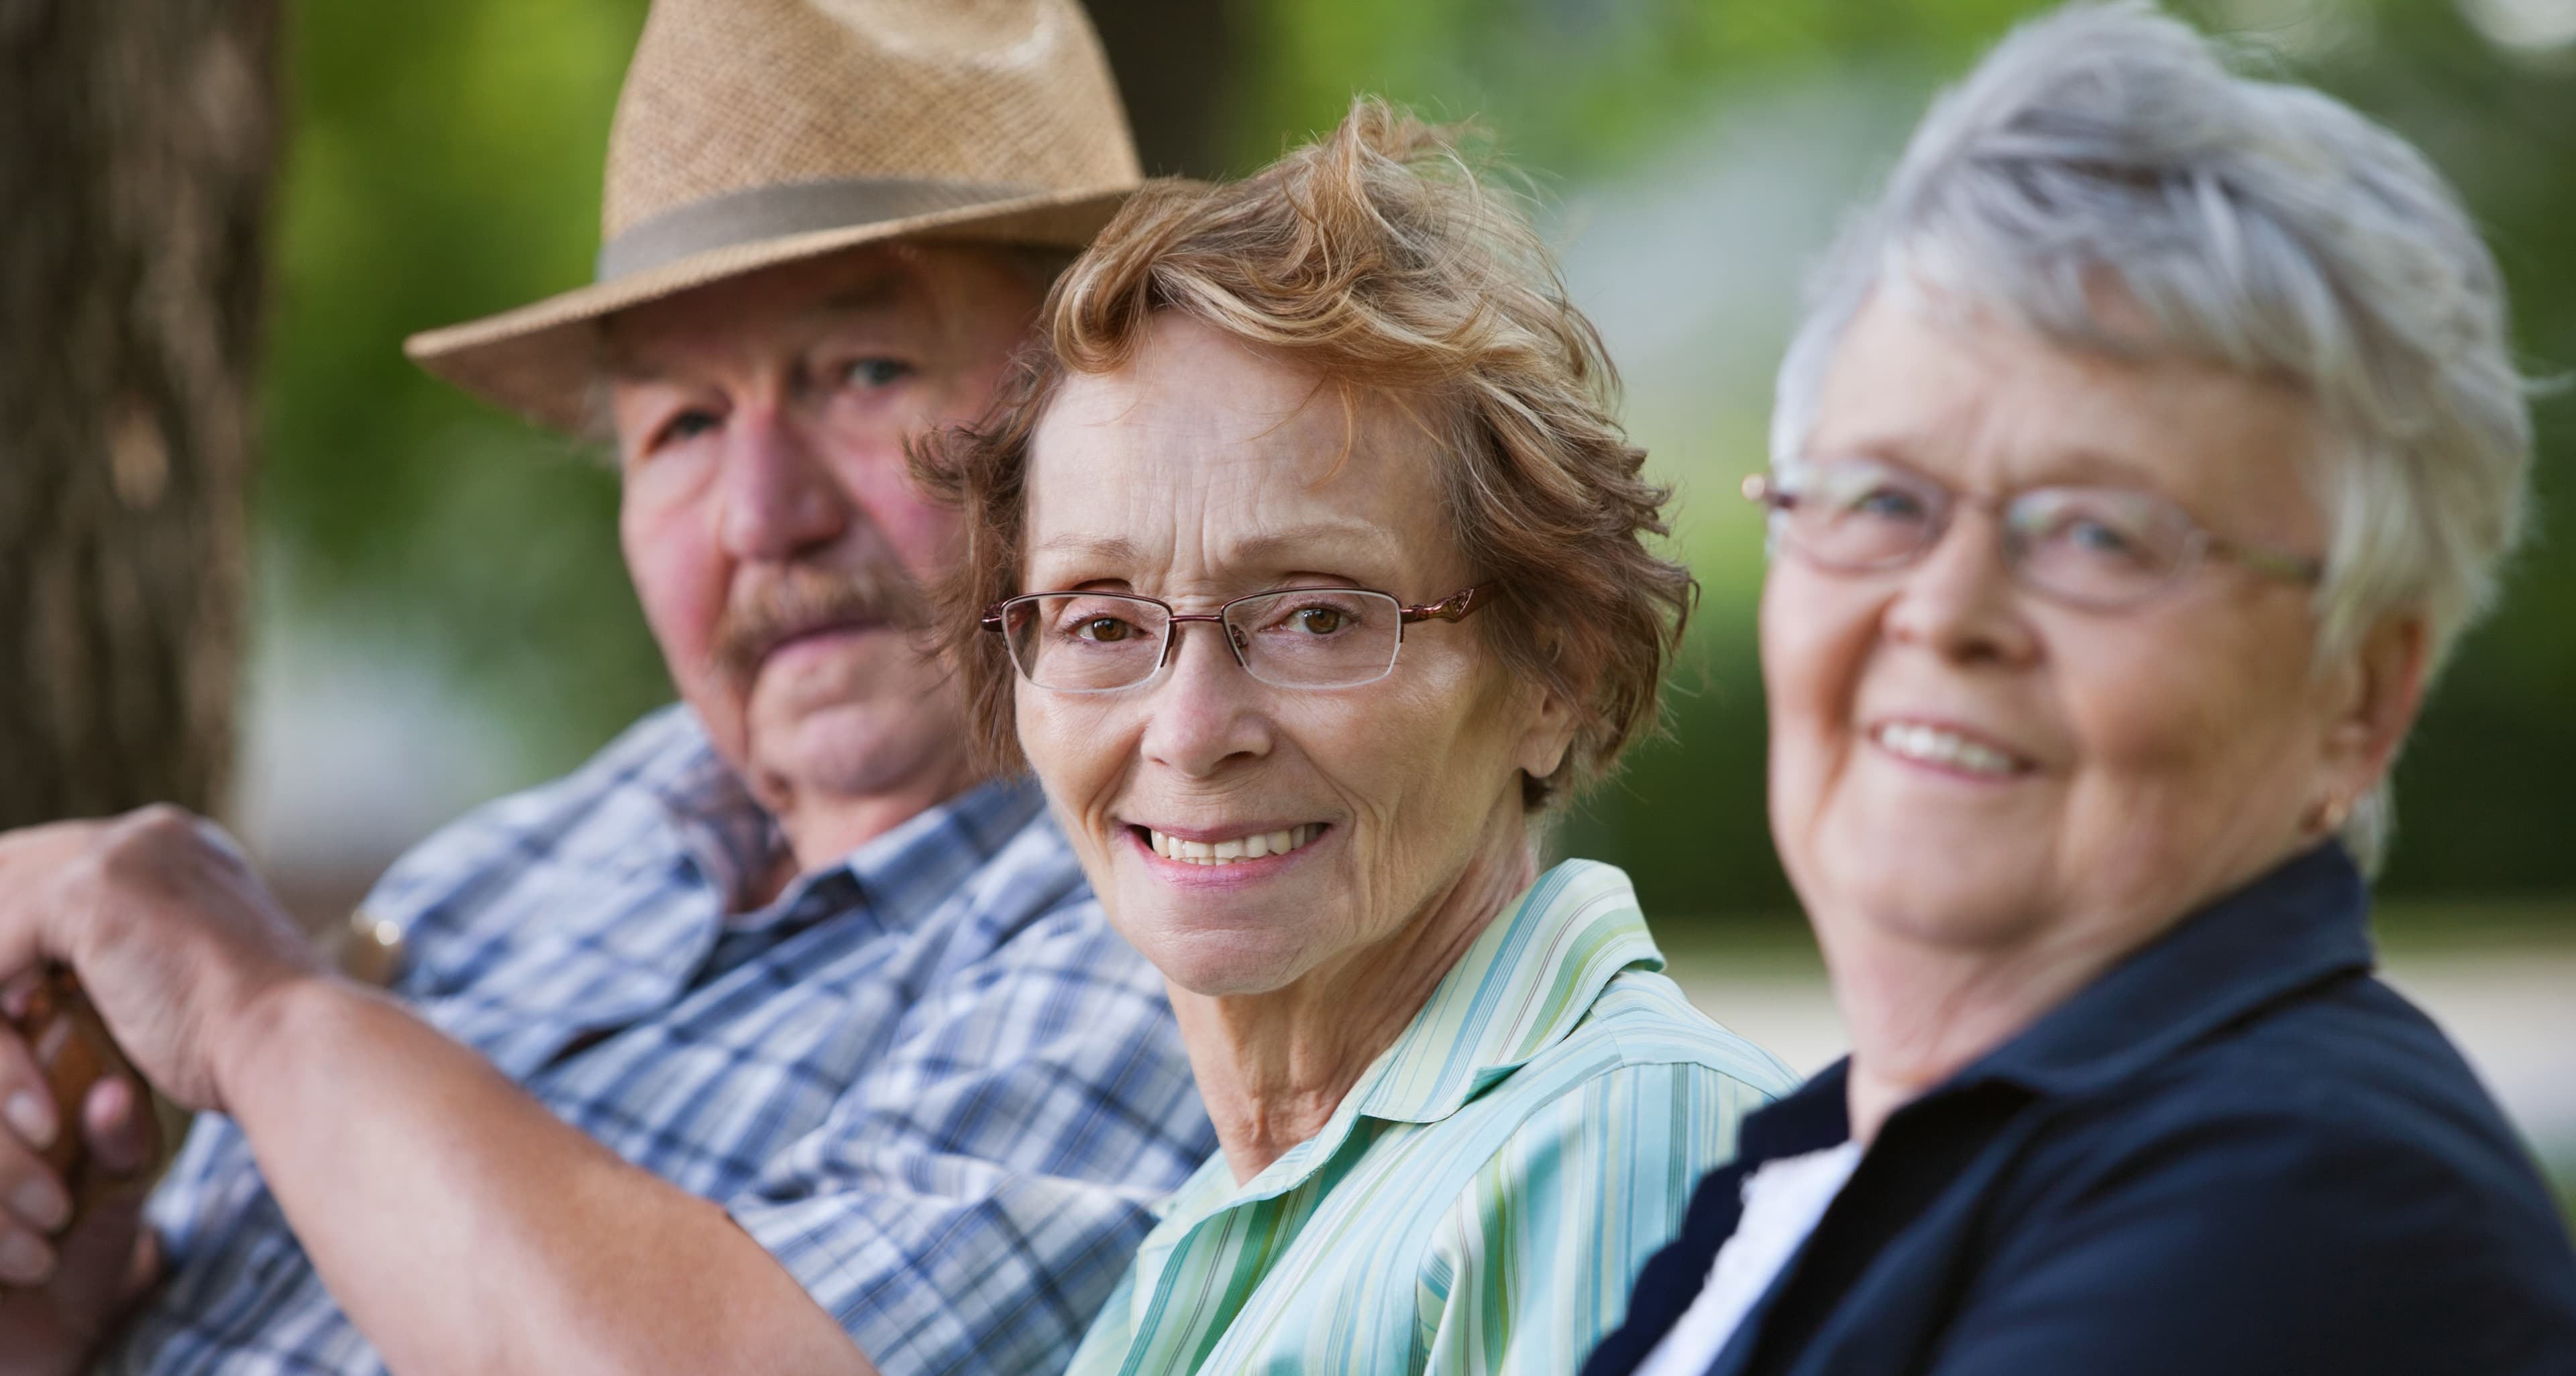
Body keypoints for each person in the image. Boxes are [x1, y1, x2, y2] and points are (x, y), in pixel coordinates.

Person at [0, 2, 1216, 1373]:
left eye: (864, 372)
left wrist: (256, 1011)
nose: (761, 517)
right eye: (683, 424)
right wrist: (68, 1317)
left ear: (1114, 414)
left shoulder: (1189, 905)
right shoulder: (532, 858)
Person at [1582, 7, 2576, 1375]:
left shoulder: (2311, 1202)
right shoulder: (1832, 1156)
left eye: (2100, 534)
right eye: (1884, 498)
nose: (1945, 610)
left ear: (2359, 691)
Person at [909, 100, 1801, 1376]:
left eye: (1318, 615)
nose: (1193, 729)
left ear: (1554, 671)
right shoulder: (1238, 1220)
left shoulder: (1619, 1143)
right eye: (1103, 623)